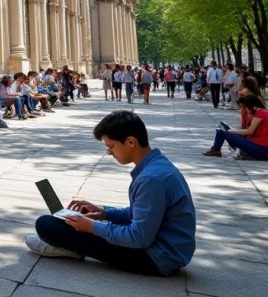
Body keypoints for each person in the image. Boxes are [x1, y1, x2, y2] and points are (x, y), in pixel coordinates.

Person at [26, 110, 196, 276]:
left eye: (111, 146)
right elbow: (141, 213)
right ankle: (71, 243)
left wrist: (92, 227)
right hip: (170, 249)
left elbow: (139, 237)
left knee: (46, 224)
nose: (109, 152)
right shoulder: (158, 165)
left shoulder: (150, 179)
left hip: (155, 258)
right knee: (69, 224)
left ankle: (70, 248)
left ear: (131, 142)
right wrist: (103, 213)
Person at [203, 95, 268, 160]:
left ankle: (216, 150)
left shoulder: (261, 113)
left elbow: (250, 131)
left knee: (221, 131)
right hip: (267, 149)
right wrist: (231, 130)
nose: (245, 110)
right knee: (225, 130)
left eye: (246, 108)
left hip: (262, 150)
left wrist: (231, 131)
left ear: (251, 106)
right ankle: (218, 150)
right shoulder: (265, 112)